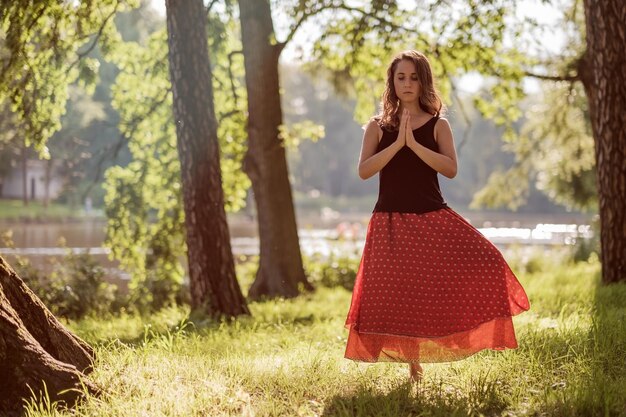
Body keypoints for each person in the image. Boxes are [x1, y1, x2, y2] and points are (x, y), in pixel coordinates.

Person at [343, 50, 531, 383]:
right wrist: (397, 143)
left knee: (488, 258)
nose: (407, 83)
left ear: (424, 81)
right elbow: (363, 171)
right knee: (402, 293)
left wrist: (413, 144)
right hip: (390, 220)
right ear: (392, 82)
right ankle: (413, 363)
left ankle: (464, 338)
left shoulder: (438, 125)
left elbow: (451, 169)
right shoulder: (376, 126)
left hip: (432, 218)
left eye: (414, 77)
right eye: (401, 77)